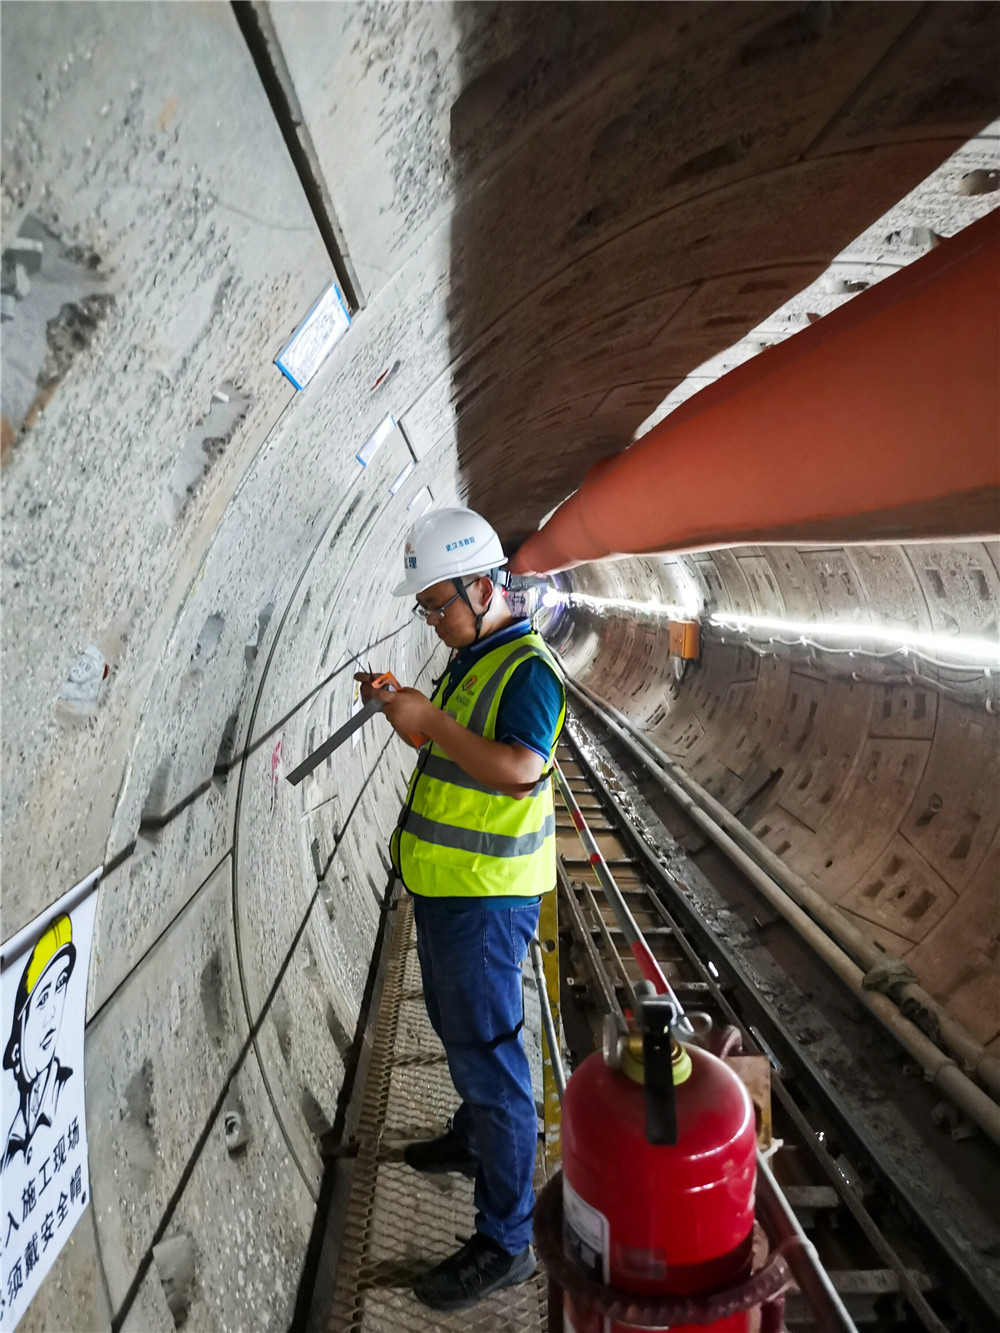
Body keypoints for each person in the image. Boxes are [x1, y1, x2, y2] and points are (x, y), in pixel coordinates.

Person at [356, 506, 565, 1312]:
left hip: (486, 899)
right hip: (451, 889)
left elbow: (518, 768)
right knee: (458, 1029)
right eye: (426, 608)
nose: (433, 620)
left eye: (437, 604)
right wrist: (406, 709)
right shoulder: (477, 655)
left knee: (492, 1058)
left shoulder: (530, 671)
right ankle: (476, 1137)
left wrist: (432, 718)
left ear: (482, 587)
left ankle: (507, 1241)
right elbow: (452, 748)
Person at [3, 915, 76, 1170]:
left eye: (60, 985)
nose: (53, 1013)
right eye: (42, 999)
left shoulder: (66, 1087)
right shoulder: (10, 1143)